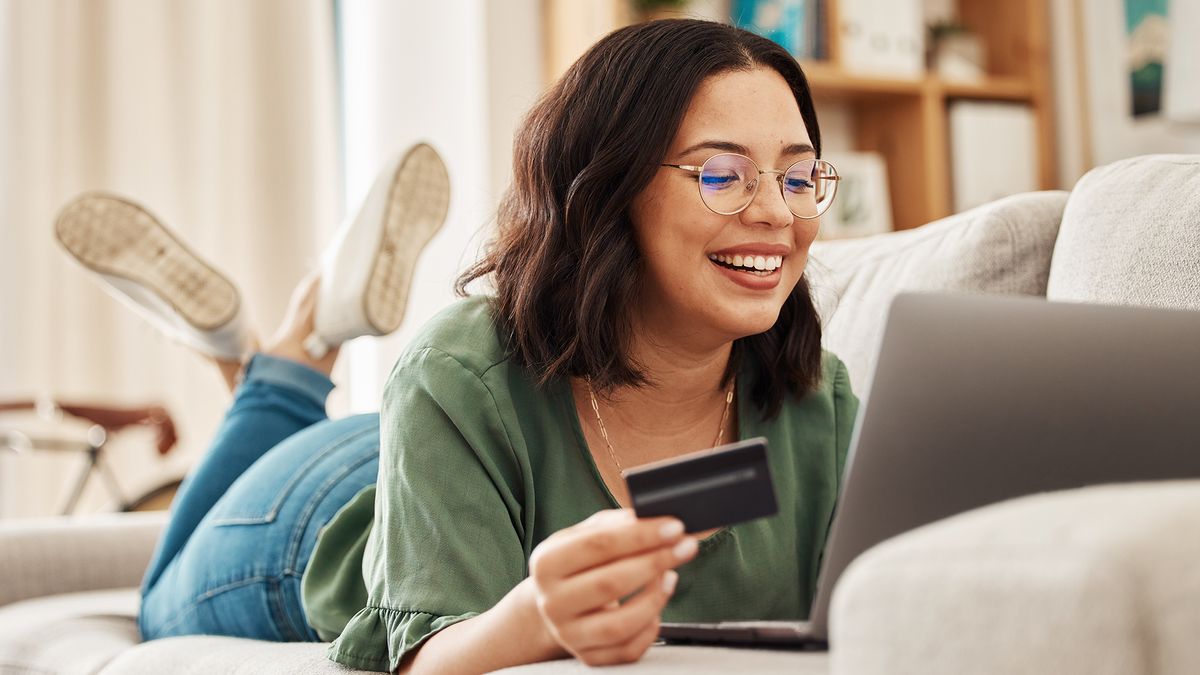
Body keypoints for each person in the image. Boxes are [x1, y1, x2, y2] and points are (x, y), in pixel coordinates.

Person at [56, 18, 856, 674]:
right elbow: (423, 655)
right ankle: (281, 371)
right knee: (157, 602)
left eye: (796, 177)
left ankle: (284, 348)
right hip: (318, 514)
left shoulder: (823, 400)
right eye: (723, 175)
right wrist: (536, 617)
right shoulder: (460, 368)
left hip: (446, 450)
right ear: (608, 188)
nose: (779, 215)